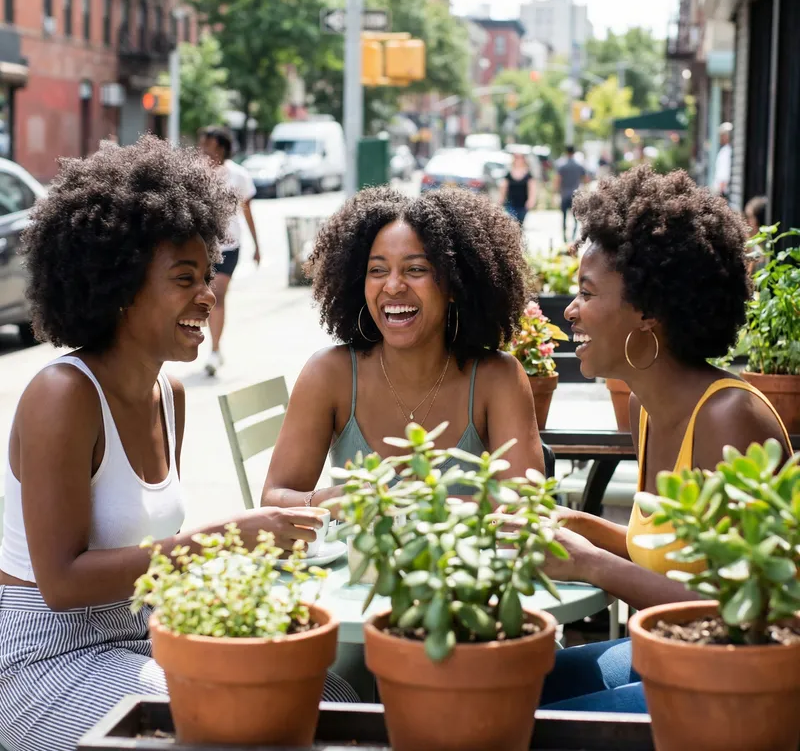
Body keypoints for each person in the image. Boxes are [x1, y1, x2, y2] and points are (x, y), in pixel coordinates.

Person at [0, 137, 356, 751]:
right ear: (118, 286)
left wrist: (290, 524)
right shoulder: (62, 395)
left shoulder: (171, 394)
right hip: (45, 659)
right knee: (236, 729)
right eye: (184, 278)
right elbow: (62, 584)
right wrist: (226, 539)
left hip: (143, 631)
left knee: (334, 695)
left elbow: (161, 558)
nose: (208, 293)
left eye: (208, 272)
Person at [534, 165, 793, 713]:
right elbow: (671, 554)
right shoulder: (647, 410)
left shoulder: (730, 420)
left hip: (734, 688)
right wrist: (579, 529)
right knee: (508, 680)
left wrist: (592, 564)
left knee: (527, 717)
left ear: (648, 313)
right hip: (670, 654)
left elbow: (751, 614)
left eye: (585, 292)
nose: (571, 310)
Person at [261, 186, 546, 512]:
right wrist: (324, 501)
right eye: (377, 270)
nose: (393, 286)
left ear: (455, 285)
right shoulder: (329, 374)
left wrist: (404, 508)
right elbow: (274, 498)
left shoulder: (499, 378)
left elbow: (525, 510)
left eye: (416, 269)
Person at [198, 126, 260, 377]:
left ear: (220, 146)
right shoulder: (197, 173)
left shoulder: (239, 175)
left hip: (230, 246)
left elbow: (248, 211)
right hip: (202, 248)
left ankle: (214, 350)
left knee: (218, 295)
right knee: (204, 298)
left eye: (208, 143)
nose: (203, 148)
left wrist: (258, 245)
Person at [553, 145, 588, 243]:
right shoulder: (579, 166)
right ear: (574, 152)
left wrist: (555, 193)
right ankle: (572, 237)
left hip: (564, 194)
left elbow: (557, 180)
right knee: (575, 218)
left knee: (563, 217)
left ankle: (564, 238)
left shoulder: (562, 166)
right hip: (575, 195)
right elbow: (585, 179)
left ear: (566, 152)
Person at [498, 152, 536, 225]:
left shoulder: (528, 175)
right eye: (516, 158)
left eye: (520, 158)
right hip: (511, 203)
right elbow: (503, 188)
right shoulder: (508, 174)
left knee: (520, 222)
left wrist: (531, 200)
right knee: (512, 222)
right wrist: (501, 199)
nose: (518, 160)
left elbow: (532, 188)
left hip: (523, 203)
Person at [713, 122, 732, 200]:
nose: (720, 137)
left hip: (723, 191)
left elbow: (724, 172)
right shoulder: (725, 150)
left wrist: (720, 192)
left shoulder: (727, 151)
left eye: (721, 135)